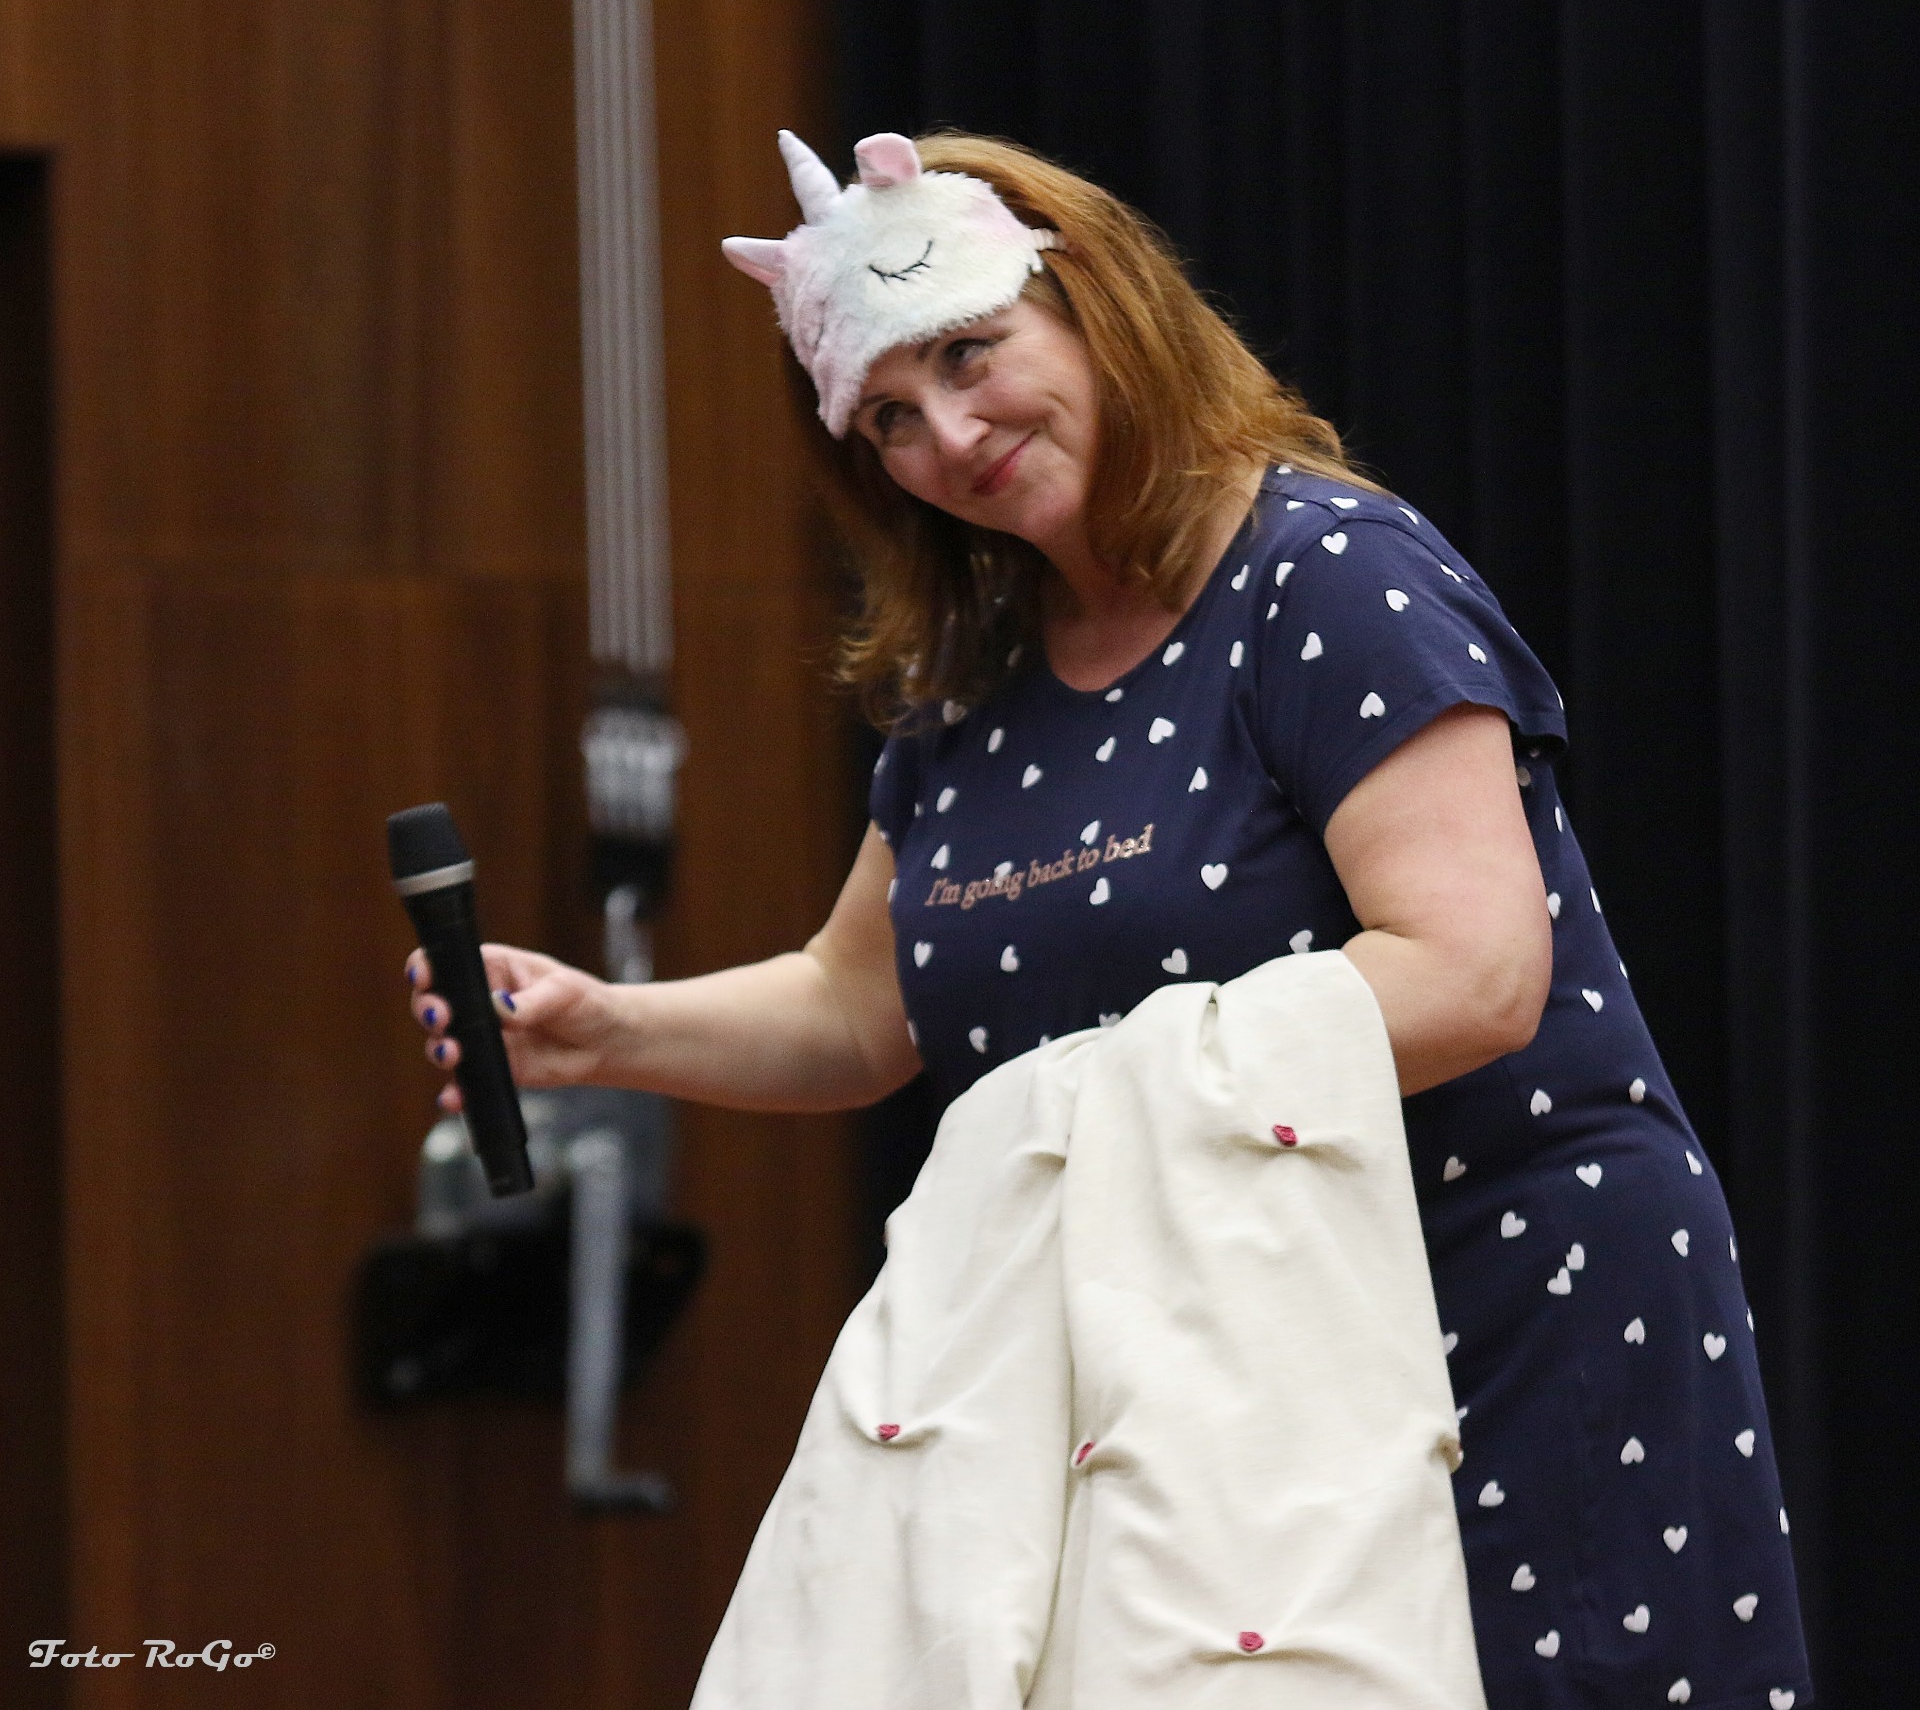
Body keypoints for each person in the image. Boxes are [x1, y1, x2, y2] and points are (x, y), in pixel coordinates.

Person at [407, 129, 1811, 1710]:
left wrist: (1083, 1102)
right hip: (1210, 1367)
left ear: (1093, 302)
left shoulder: (1324, 574)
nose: (949, 433)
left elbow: (1475, 974)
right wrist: (604, 1028)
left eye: (968, 351)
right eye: (888, 415)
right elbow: (861, 1008)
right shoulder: (973, 681)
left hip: (1489, 1313)